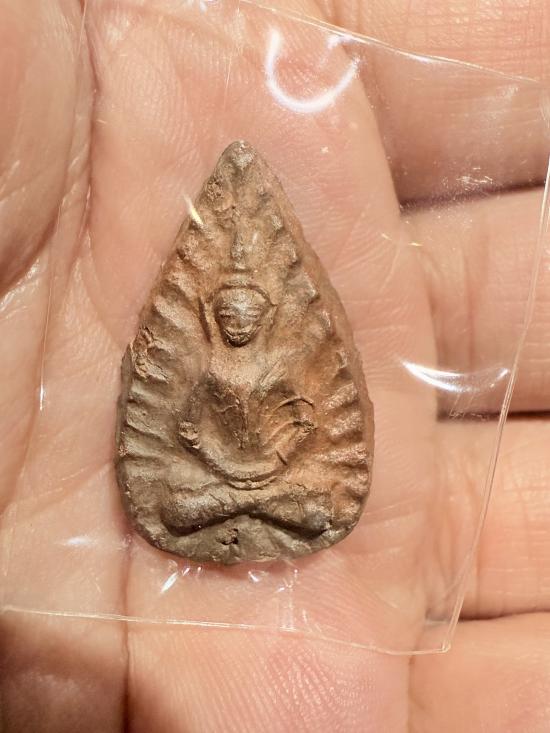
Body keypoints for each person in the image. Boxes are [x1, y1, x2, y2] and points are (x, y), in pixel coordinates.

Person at [0, 1, 549, 731]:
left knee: (313, 510)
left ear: (262, 315)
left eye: (246, 316)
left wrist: (282, 457)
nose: (236, 324)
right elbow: (187, 432)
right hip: (211, 485)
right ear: (212, 317)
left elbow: (302, 422)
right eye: (226, 316)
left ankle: (250, 505)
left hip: (273, 485)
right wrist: (204, 457)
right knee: (184, 507)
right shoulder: (205, 369)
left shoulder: (283, 362)